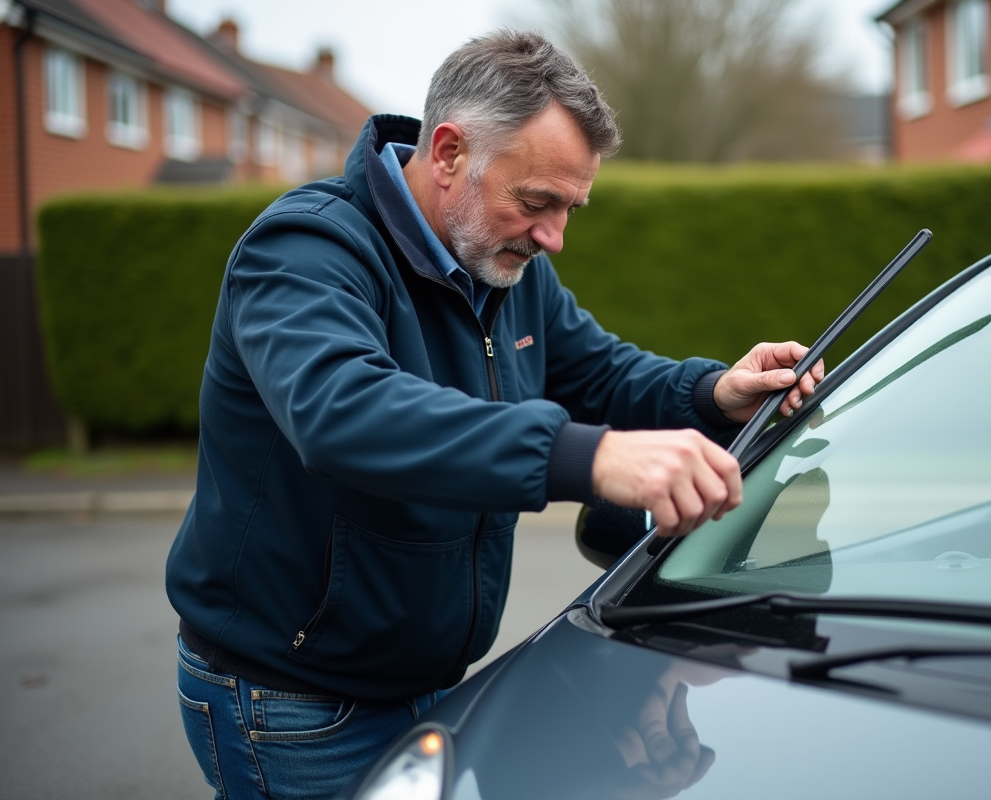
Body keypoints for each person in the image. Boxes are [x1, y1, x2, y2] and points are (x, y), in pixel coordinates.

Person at [166, 29, 822, 800]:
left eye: (571, 207)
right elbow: (346, 411)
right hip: (295, 699)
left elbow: (600, 371)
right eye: (538, 202)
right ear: (447, 154)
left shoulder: (504, 266)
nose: (555, 237)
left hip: (432, 685)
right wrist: (592, 458)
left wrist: (713, 392)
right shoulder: (306, 249)